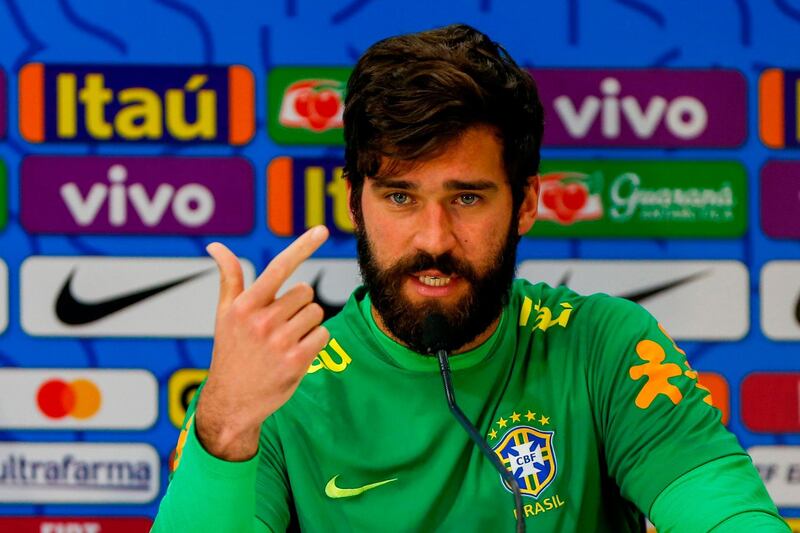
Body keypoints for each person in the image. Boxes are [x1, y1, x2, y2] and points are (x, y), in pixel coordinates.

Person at [152, 24, 787, 532]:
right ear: (353, 202)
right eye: (400, 198)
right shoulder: (273, 390)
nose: (433, 239)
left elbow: (728, 513)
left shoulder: (605, 347)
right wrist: (226, 425)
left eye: (467, 198)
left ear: (528, 201)